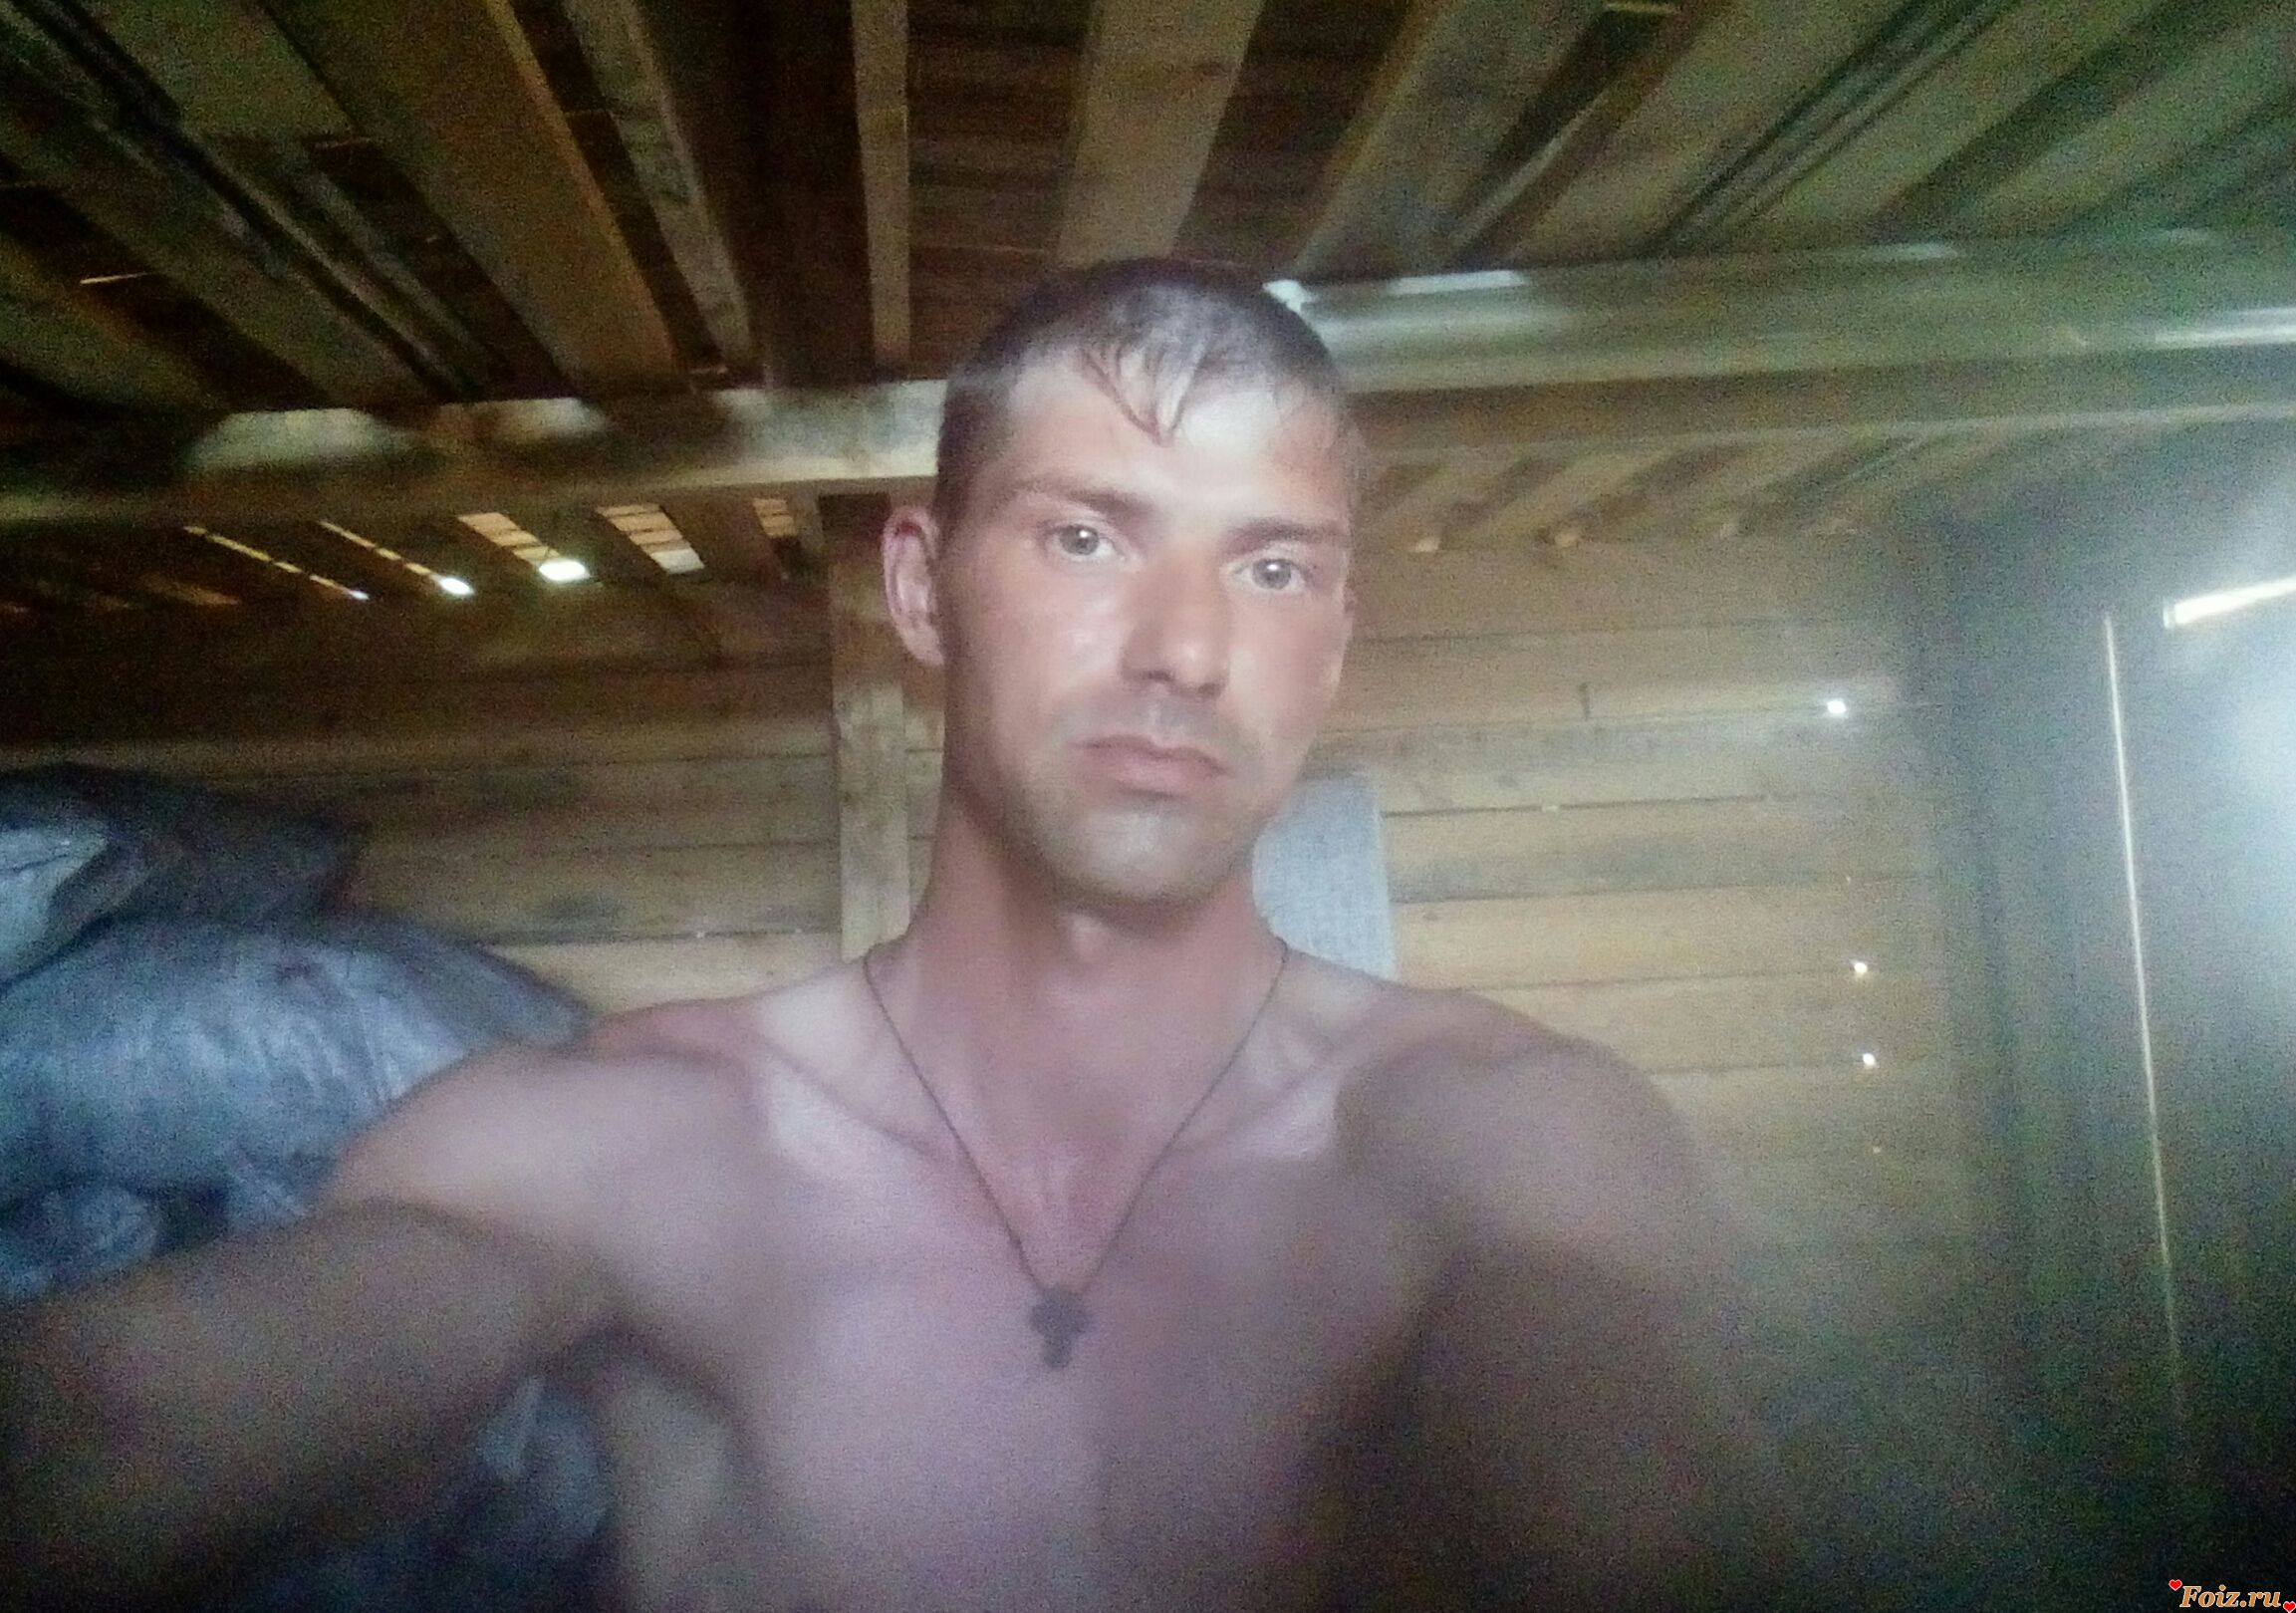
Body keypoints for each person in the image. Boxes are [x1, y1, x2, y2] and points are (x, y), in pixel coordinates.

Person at [0, 261, 1795, 1611]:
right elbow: (128, 1415)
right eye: (1086, 537)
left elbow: (1666, 1502)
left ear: (1331, 637)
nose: (1185, 649)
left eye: (1271, 569)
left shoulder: (1501, 1134)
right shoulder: (616, 1135)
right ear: (923, 589)